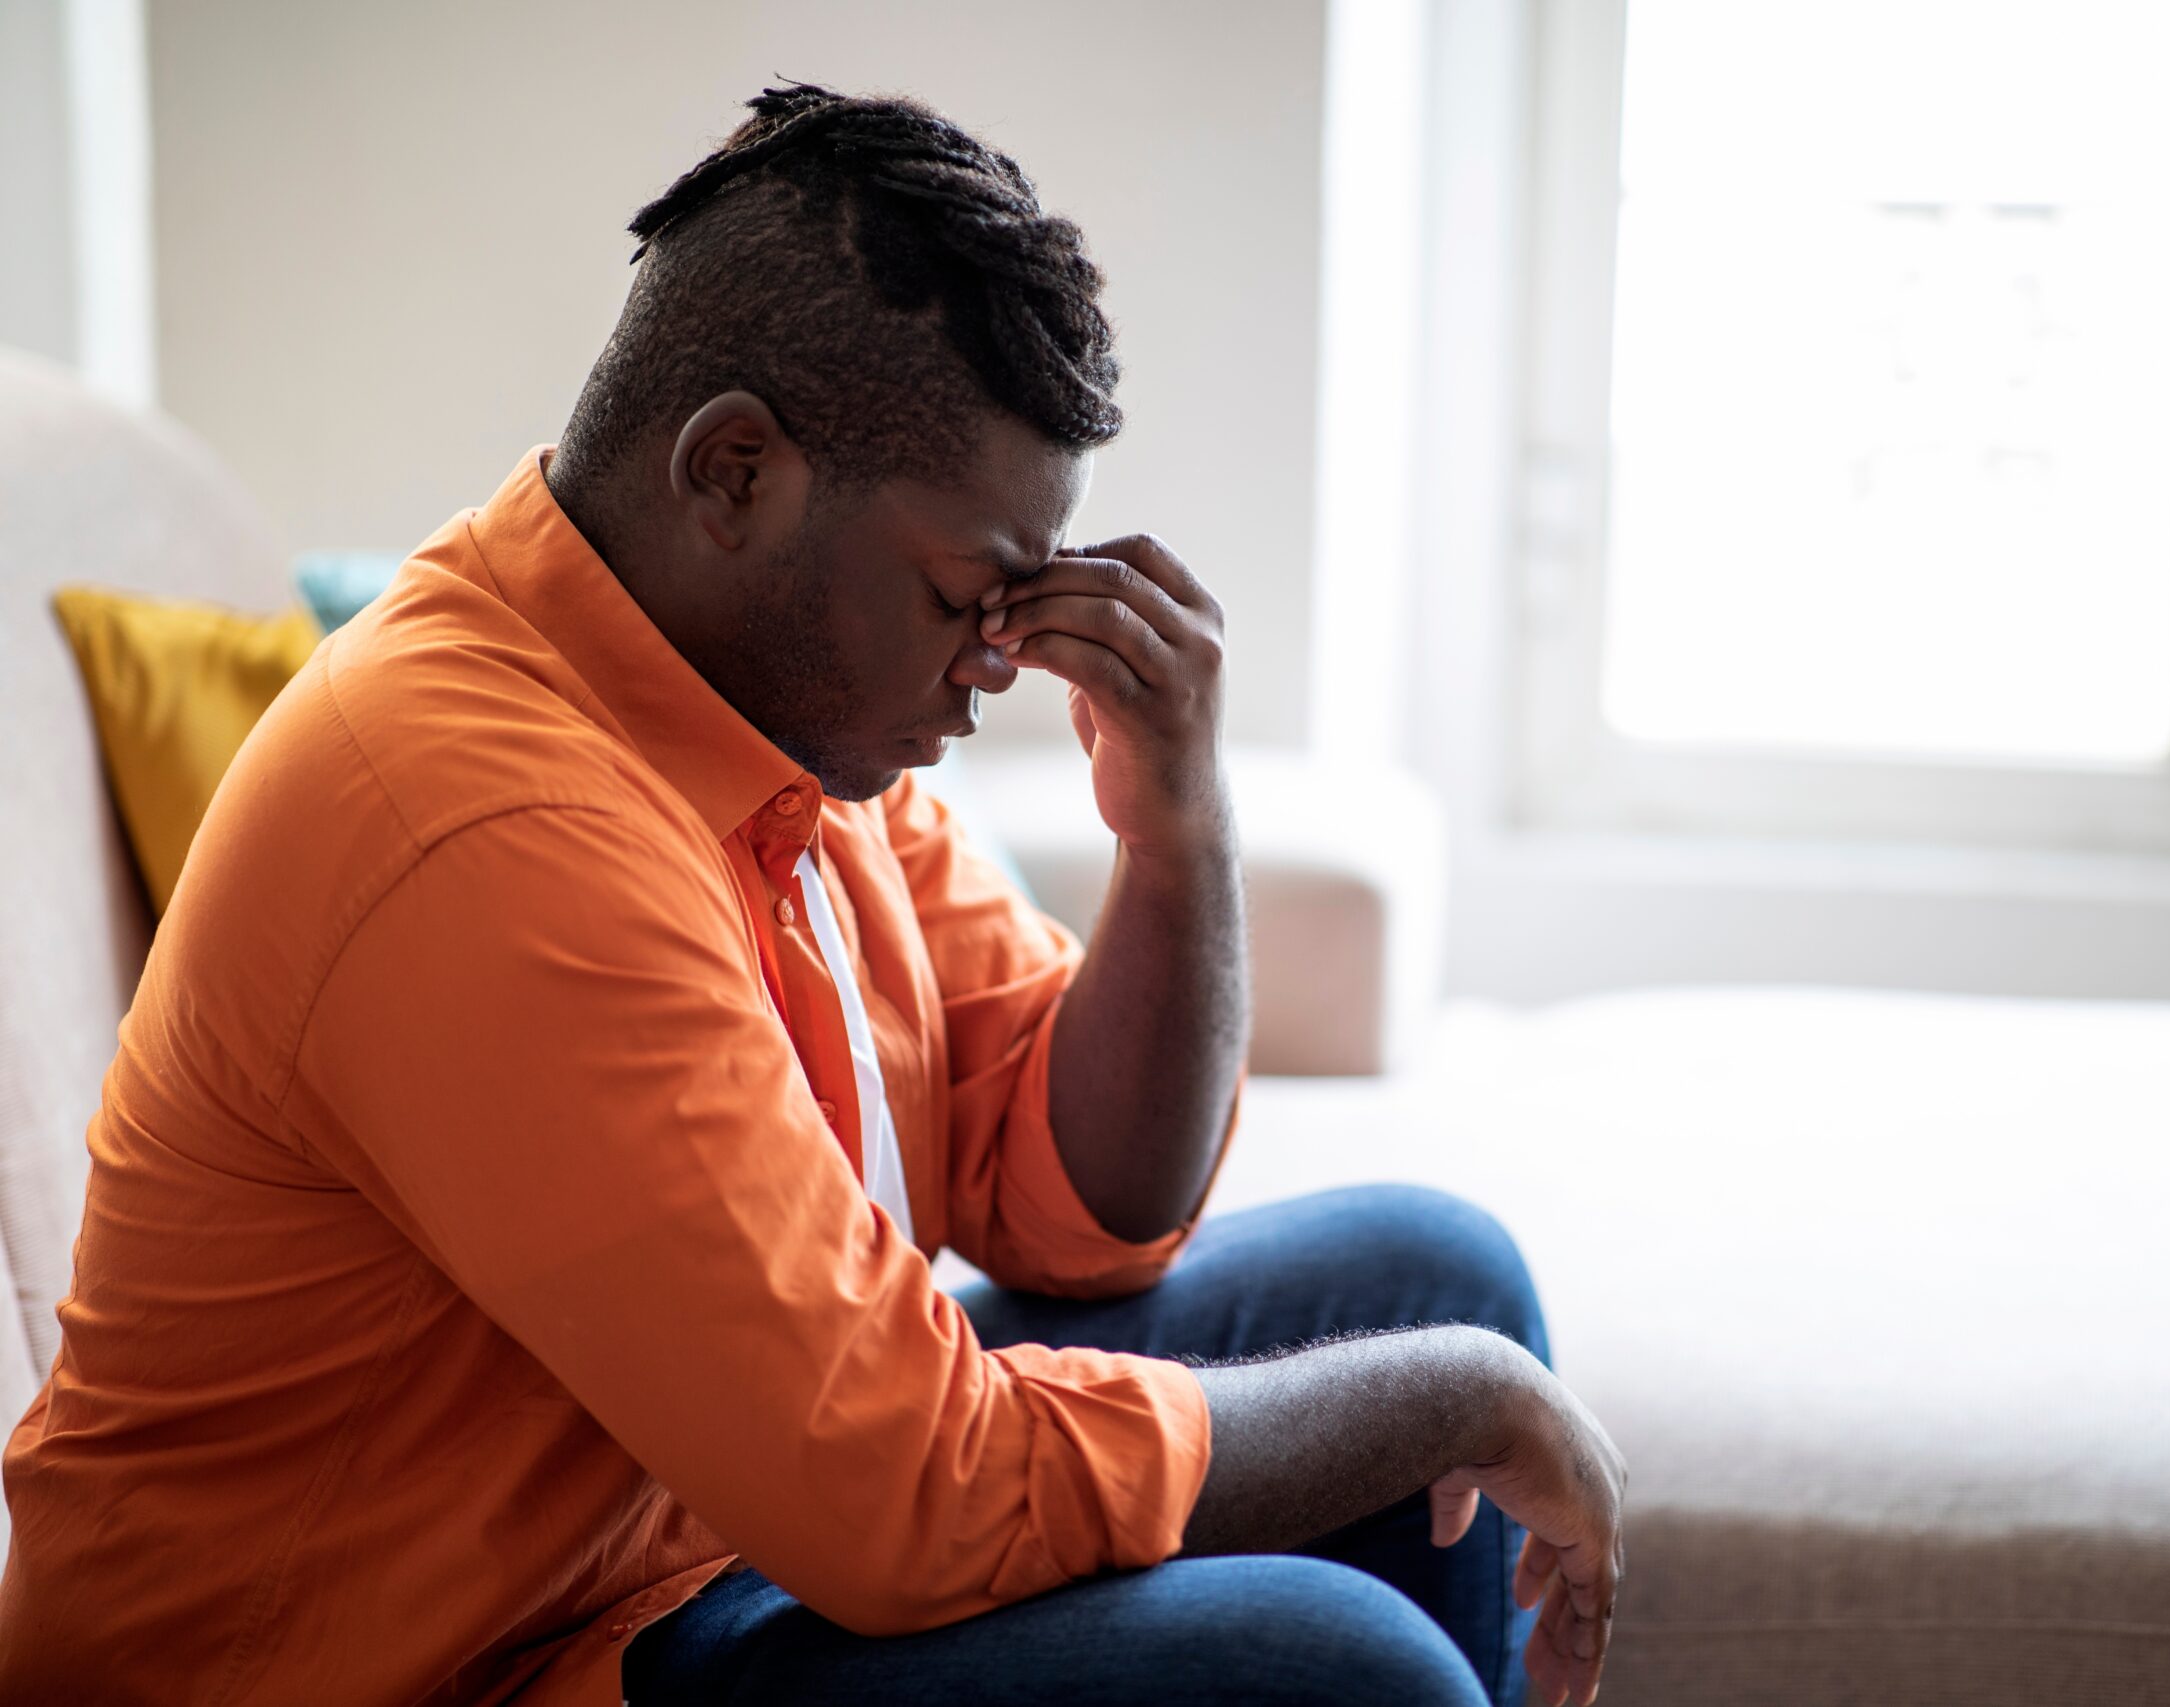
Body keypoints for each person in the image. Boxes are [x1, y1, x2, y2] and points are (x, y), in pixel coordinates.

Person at [0, 84, 1624, 1707]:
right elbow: (909, 1499)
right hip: (479, 1662)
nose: (996, 660)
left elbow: (1086, 1203)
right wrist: (1455, 1406)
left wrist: (1178, 830)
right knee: (1337, 1668)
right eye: (959, 594)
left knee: (1433, 1277)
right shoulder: (480, 824)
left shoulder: (786, 730)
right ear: (735, 474)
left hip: (693, 1541)